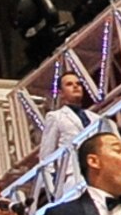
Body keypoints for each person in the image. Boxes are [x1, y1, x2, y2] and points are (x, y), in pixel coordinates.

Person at [35, 72, 108, 203]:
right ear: (61, 93)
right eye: (69, 84)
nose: (75, 86)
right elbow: (46, 154)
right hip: (73, 175)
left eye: (78, 84)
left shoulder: (96, 118)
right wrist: (51, 187)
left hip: (98, 172)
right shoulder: (55, 117)